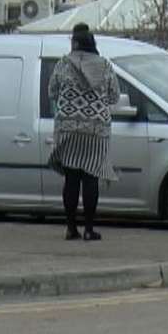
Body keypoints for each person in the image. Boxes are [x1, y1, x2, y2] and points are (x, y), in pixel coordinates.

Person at [48, 23, 120, 241]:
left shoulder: (63, 64)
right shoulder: (105, 66)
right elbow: (114, 96)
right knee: (90, 179)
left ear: (75, 42)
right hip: (96, 130)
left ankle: (71, 228)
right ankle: (89, 229)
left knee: (71, 179)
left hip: (68, 128)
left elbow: (52, 91)